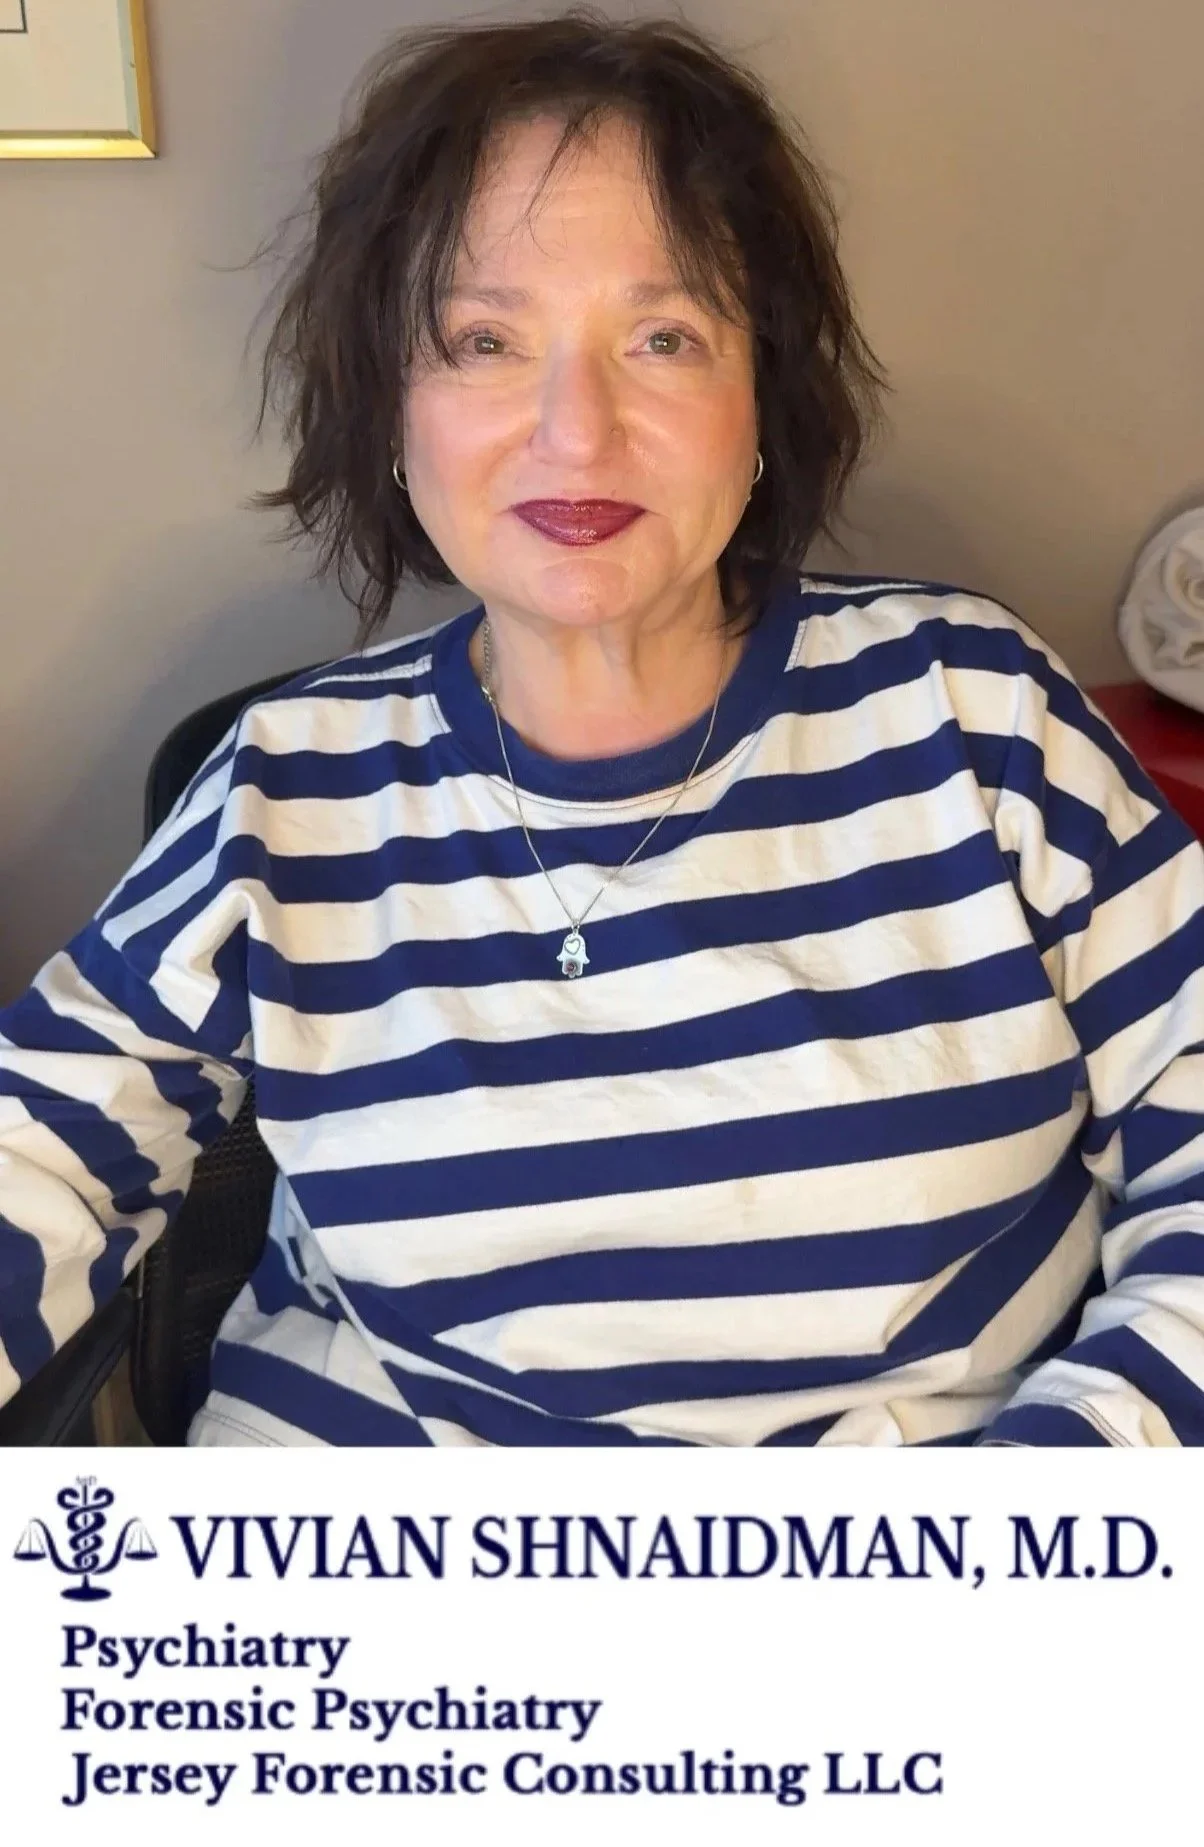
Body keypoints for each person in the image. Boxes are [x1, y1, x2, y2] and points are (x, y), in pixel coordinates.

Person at [2, 10, 1202, 1448]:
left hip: (904, 1601)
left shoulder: (975, 712)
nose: (577, 430)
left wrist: (1044, 1516)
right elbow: (39, 1150)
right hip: (376, 1607)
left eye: (663, 334)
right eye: (485, 338)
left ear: (762, 399)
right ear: (395, 409)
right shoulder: (287, 782)